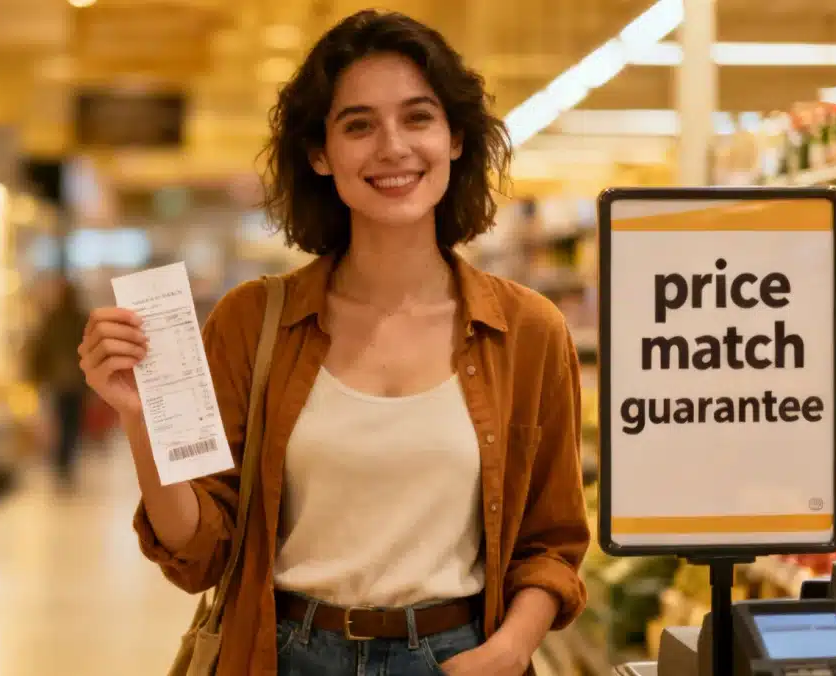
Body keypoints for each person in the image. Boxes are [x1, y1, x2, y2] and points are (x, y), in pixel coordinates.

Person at [78, 9, 589, 676]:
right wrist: (140, 420)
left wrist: (511, 648)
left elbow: (551, 545)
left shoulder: (527, 332)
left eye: (417, 117)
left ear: (456, 137)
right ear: (320, 153)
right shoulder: (251, 321)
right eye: (358, 125)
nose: (392, 147)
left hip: (455, 658)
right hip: (284, 654)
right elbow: (199, 553)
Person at [27, 271, 90, 486]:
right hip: (75, 381)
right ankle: (66, 461)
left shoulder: (53, 320)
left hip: (59, 381)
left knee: (62, 421)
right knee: (71, 423)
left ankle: (63, 462)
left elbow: (39, 349)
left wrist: (36, 375)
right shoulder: (81, 319)